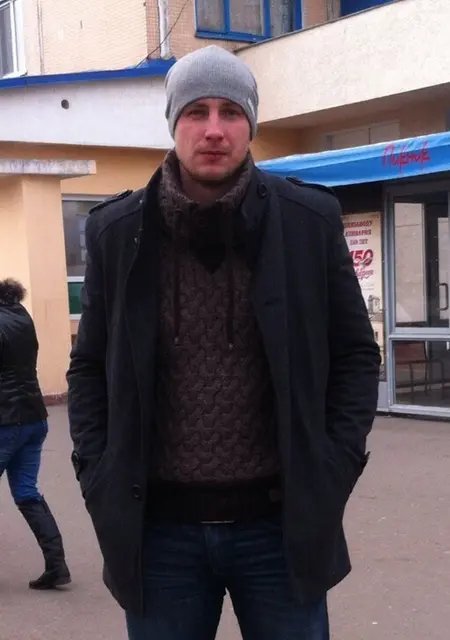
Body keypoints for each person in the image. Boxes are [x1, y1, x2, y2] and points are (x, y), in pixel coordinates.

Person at [67, 45, 380, 639]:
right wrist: (96, 469)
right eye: (196, 111)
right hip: (159, 536)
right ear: (173, 122)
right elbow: (88, 368)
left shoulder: (308, 222)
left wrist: (333, 465)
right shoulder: (116, 232)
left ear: (251, 124)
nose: (214, 129)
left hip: (280, 529)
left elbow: (356, 355)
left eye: (231, 112)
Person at [0, 278, 71, 590]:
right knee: (27, 492)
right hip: (33, 418)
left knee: (27, 491)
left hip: (6, 421)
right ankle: (57, 565)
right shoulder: (21, 317)